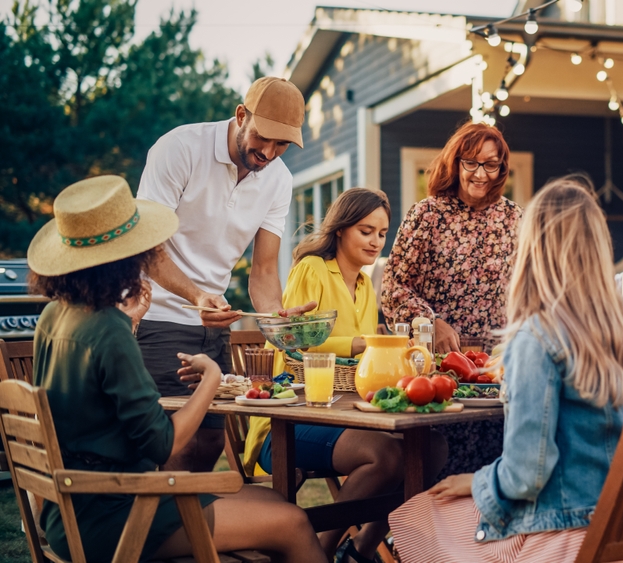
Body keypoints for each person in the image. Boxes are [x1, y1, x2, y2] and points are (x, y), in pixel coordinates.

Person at [26, 176, 326, 563]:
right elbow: (163, 444)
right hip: (117, 516)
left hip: (67, 511)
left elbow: (93, 395)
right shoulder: (107, 330)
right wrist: (211, 379)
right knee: (292, 523)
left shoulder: (55, 316)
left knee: (270, 499)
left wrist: (130, 325)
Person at [387, 176, 623, 563]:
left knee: (418, 515)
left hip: (570, 534)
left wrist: (478, 482)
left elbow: (526, 475)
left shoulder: (538, 334)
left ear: (532, 247)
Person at [242, 188, 448, 563]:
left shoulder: (367, 286)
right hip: (287, 421)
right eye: (365, 231)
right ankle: (316, 554)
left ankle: (359, 550)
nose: (375, 242)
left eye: (382, 234)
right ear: (341, 230)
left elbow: (365, 365)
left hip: (345, 412)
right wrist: (357, 342)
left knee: (432, 449)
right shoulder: (313, 269)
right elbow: (296, 342)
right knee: (385, 456)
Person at [134, 76, 315, 473]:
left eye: (281, 144)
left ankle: (188, 532)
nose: (268, 152)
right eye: (263, 137)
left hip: (213, 328)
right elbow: (148, 248)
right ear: (241, 115)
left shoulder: (279, 180)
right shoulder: (179, 148)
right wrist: (197, 296)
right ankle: (157, 532)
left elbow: (264, 270)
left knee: (211, 441)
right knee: (174, 441)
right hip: (159, 319)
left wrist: (276, 318)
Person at [380, 121, 522, 476]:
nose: (480, 173)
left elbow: (527, 287)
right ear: (455, 162)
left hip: (494, 367)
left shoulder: (512, 217)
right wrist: (430, 322)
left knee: (493, 463)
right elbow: (393, 286)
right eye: (471, 162)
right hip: (438, 367)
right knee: (439, 465)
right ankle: (418, 531)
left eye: (491, 164)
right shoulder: (426, 214)